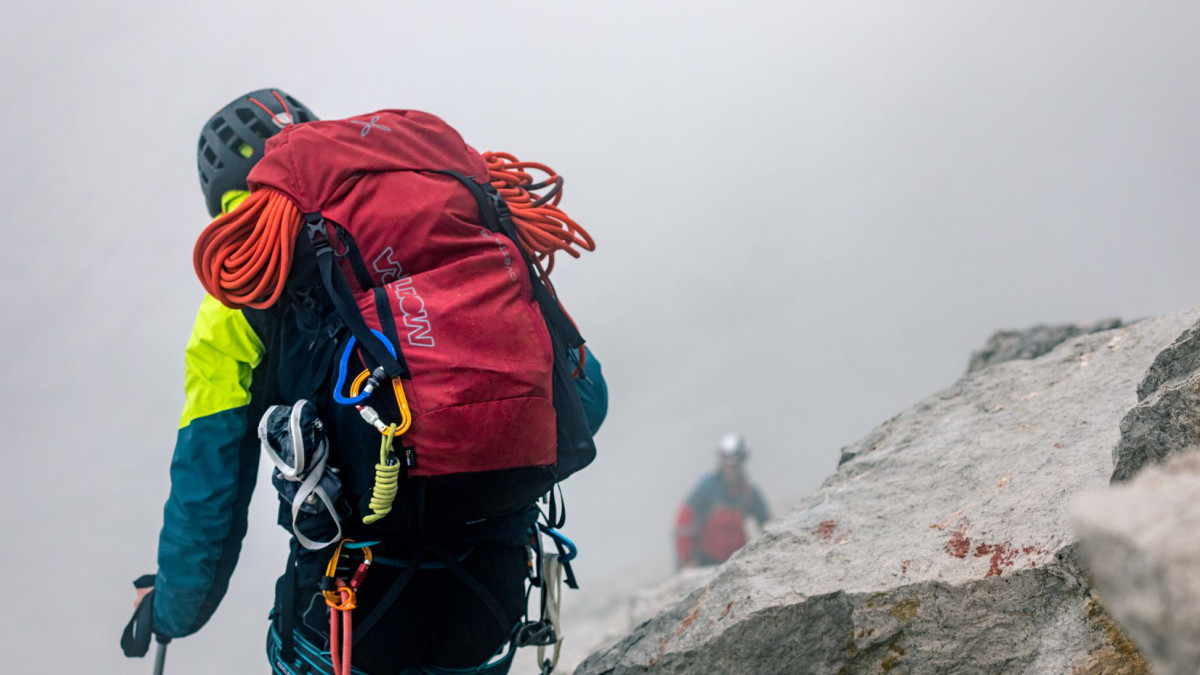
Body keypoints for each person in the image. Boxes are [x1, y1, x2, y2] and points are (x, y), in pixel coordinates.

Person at [128, 89, 607, 675]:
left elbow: (210, 484)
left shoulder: (245, 278)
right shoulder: (461, 219)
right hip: (492, 590)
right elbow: (588, 400)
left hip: (348, 605)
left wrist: (172, 610)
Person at [674, 433, 769, 568]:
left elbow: (767, 523)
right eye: (728, 465)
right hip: (705, 561)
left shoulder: (749, 493)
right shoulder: (707, 488)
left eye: (735, 465)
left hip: (736, 560)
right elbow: (683, 522)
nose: (731, 470)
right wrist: (687, 559)